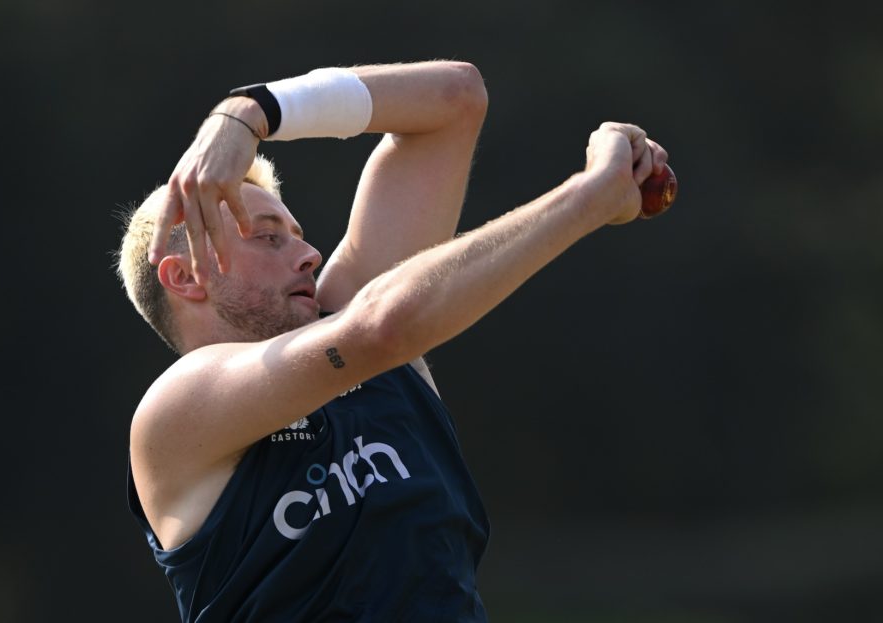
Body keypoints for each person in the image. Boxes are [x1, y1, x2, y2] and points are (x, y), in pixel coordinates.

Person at [117, 60, 670, 622]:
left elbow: (455, 98)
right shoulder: (178, 409)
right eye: (267, 238)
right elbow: (384, 329)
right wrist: (590, 197)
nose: (308, 255)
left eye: (297, 236)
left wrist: (248, 113)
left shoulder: (343, 316)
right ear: (184, 277)